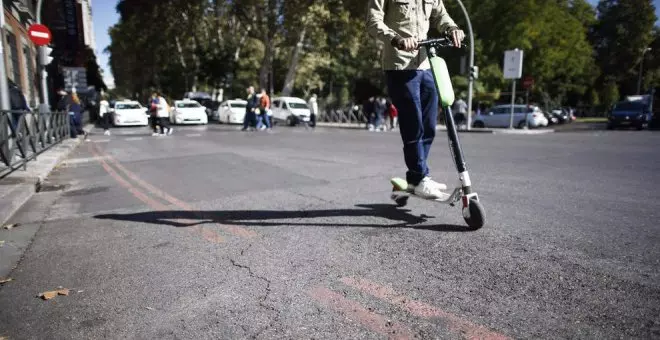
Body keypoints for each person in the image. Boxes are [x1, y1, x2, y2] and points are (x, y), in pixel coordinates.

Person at [368, 0, 465, 199]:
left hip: (425, 64)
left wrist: (453, 28)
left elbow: (441, 16)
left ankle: (415, 178)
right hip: (399, 66)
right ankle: (421, 177)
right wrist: (396, 39)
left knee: (429, 126)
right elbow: (373, 22)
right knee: (414, 125)